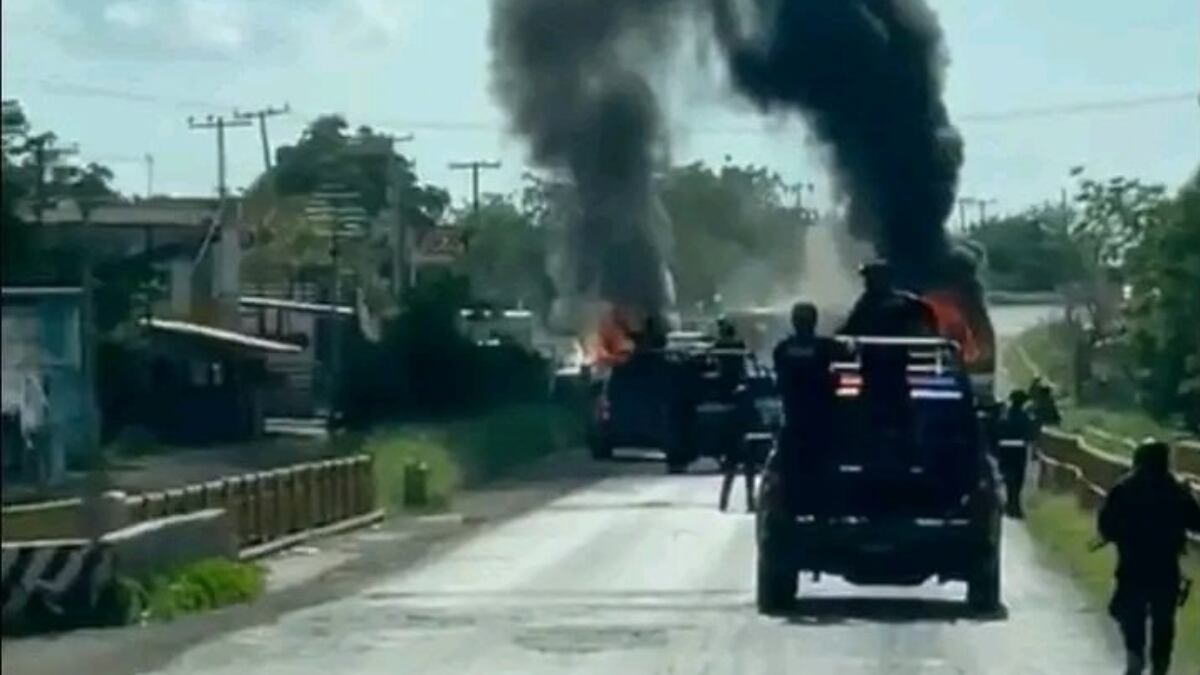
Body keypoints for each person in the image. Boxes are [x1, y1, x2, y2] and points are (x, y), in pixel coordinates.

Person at [1098, 439, 1200, 675]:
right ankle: (1160, 665)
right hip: (1165, 567)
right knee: (1163, 621)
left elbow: (1106, 526)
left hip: (1132, 565)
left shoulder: (1123, 488)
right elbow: (1196, 522)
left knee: (1130, 614)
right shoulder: (1175, 490)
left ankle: (1135, 656)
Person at [772, 302, 838, 462]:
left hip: (793, 415)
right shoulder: (825, 346)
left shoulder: (783, 347)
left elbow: (779, 375)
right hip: (821, 416)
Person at [840, 260, 938, 337]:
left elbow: (928, 322)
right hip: (871, 356)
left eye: (872, 277)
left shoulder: (906, 302)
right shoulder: (865, 303)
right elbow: (851, 328)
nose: (867, 282)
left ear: (884, 279)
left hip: (896, 355)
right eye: (868, 278)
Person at [997, 389, 1037, 518]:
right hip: (1018, 451)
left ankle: (1010, 504)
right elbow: (1030, 434)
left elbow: (996, 431)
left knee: (1009, 479)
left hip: (1005, 450)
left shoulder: (1004, 415)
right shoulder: (1024, 417)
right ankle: (1015, 506)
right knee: (1018, 480)